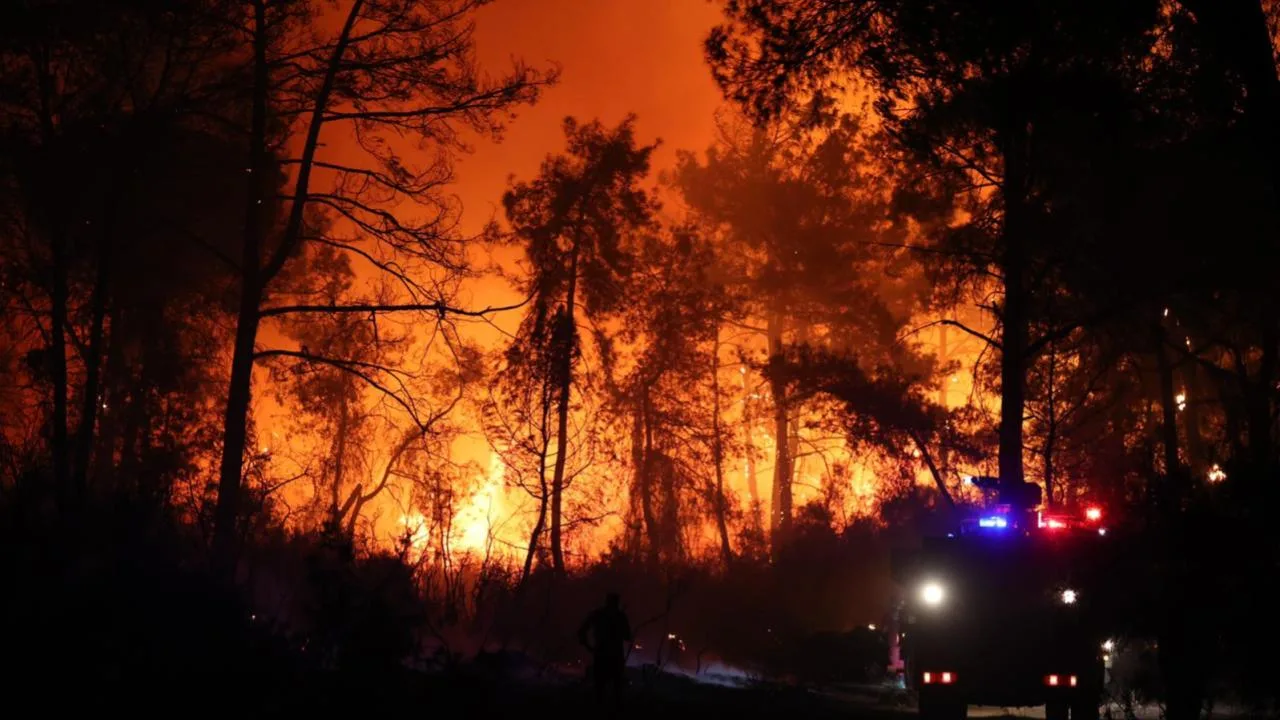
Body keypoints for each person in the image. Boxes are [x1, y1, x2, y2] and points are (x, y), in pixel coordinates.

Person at [578, 591, 632, 707]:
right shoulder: (620, 616)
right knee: (616, 690)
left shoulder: (597, 614)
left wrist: (588, 647)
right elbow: (627, 636)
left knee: (600, 689)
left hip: (601, 655)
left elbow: (582, 631)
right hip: (615, 657)